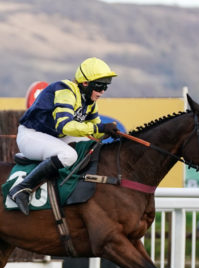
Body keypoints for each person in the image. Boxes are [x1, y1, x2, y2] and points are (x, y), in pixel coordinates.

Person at [7, 57, 121, 215]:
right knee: (69, 155)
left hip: (53, 137)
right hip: (31, 135)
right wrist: (100, 127)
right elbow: (65, 126)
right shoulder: (65, 89)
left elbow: (95, 129)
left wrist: (110, 131)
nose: (102, 91)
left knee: (88, 145)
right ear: (85, 83)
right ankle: (21, 189)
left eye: (106, 86)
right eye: (99, 85)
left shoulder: (89, 102)